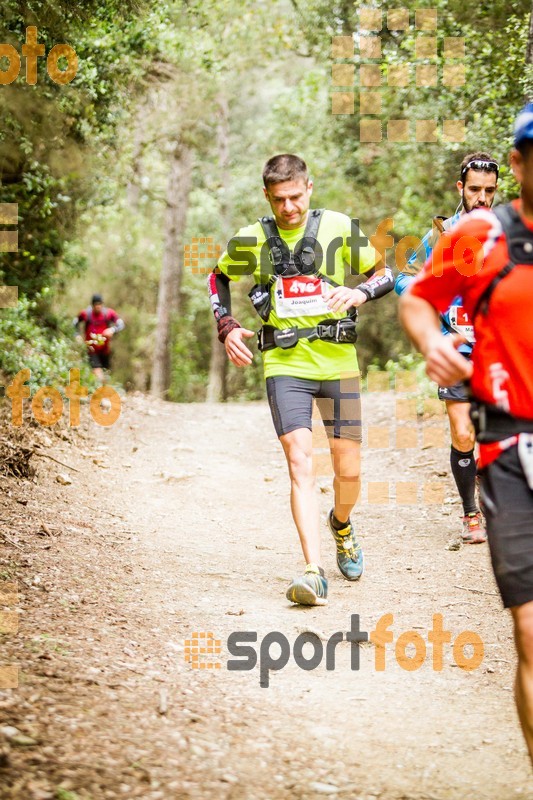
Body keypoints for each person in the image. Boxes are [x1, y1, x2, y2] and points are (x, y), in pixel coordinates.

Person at [399, 104, 533, 765]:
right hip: (495, 415)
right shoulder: (472, 233)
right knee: (530, 631)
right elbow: (413, 290)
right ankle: (467, 507)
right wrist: (432, 340)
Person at [208, 154, 394, 606]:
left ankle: (342, 524)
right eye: (279, 200)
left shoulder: (338, 227)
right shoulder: (252, 239)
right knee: (299, 459)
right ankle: (313, 571)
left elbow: (385, 273)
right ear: (267, 196)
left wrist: (360, 290)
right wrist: (227, 325)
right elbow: (217, 278)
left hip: (338, 363)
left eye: (295, 197)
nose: (288, 207)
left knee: (348, 471)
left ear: (309, 188)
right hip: (285, 364)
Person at [395, 152, 499, 544]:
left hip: (495, 350)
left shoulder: (505, 233)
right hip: (457, 350)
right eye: (475, 190)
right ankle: (471, 514)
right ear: (461, 188)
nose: (482, 198)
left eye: (489, 191)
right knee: (462, 433)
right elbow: (406, 280)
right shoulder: (442, 235)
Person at [73, 294, 125, 383]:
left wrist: (112, 330)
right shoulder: (86, 314)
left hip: (105, 350)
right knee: (97, 372)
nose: (98, 306)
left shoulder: (108, 313)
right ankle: (98, 390)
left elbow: (121, 324)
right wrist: (76, 335)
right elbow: (75, 322)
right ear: (92, 305)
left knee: (106, 373)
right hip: (91, 349)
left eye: (100, 304)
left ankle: (103, 390)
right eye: (96, 304)